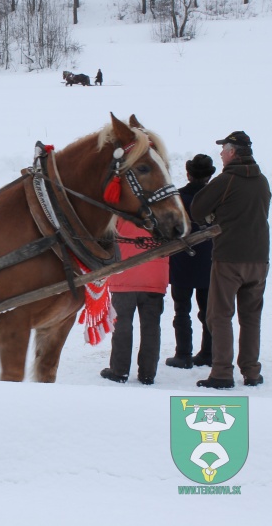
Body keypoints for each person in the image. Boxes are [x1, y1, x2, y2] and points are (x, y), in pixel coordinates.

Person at [191, 131, 270, 389]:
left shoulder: (225, 180)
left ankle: (222, 373)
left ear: (233, 151)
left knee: (219, 315)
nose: (221, 154)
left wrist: (213, 217)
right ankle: (251, 371)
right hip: (259, 259)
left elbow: (197, 209)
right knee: (250, 317)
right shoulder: (262, 181)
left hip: (228, 258)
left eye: (224, 149)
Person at [100, 218, 169, 385]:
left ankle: (119, 371)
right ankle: (148, 373)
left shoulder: (123, 210)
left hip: (124, 274)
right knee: (151, 326)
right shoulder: (164, 209)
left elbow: (104, 237)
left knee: (122, 324)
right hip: (155, 276)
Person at [165, 154, 215, 369]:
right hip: (209, 261)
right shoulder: (216, 197)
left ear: (188, 174)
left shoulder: (178, 197)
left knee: (181, 310)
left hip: (182, 260)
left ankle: (183, 354)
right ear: (209, 176)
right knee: (208, 313)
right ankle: (208, 353)